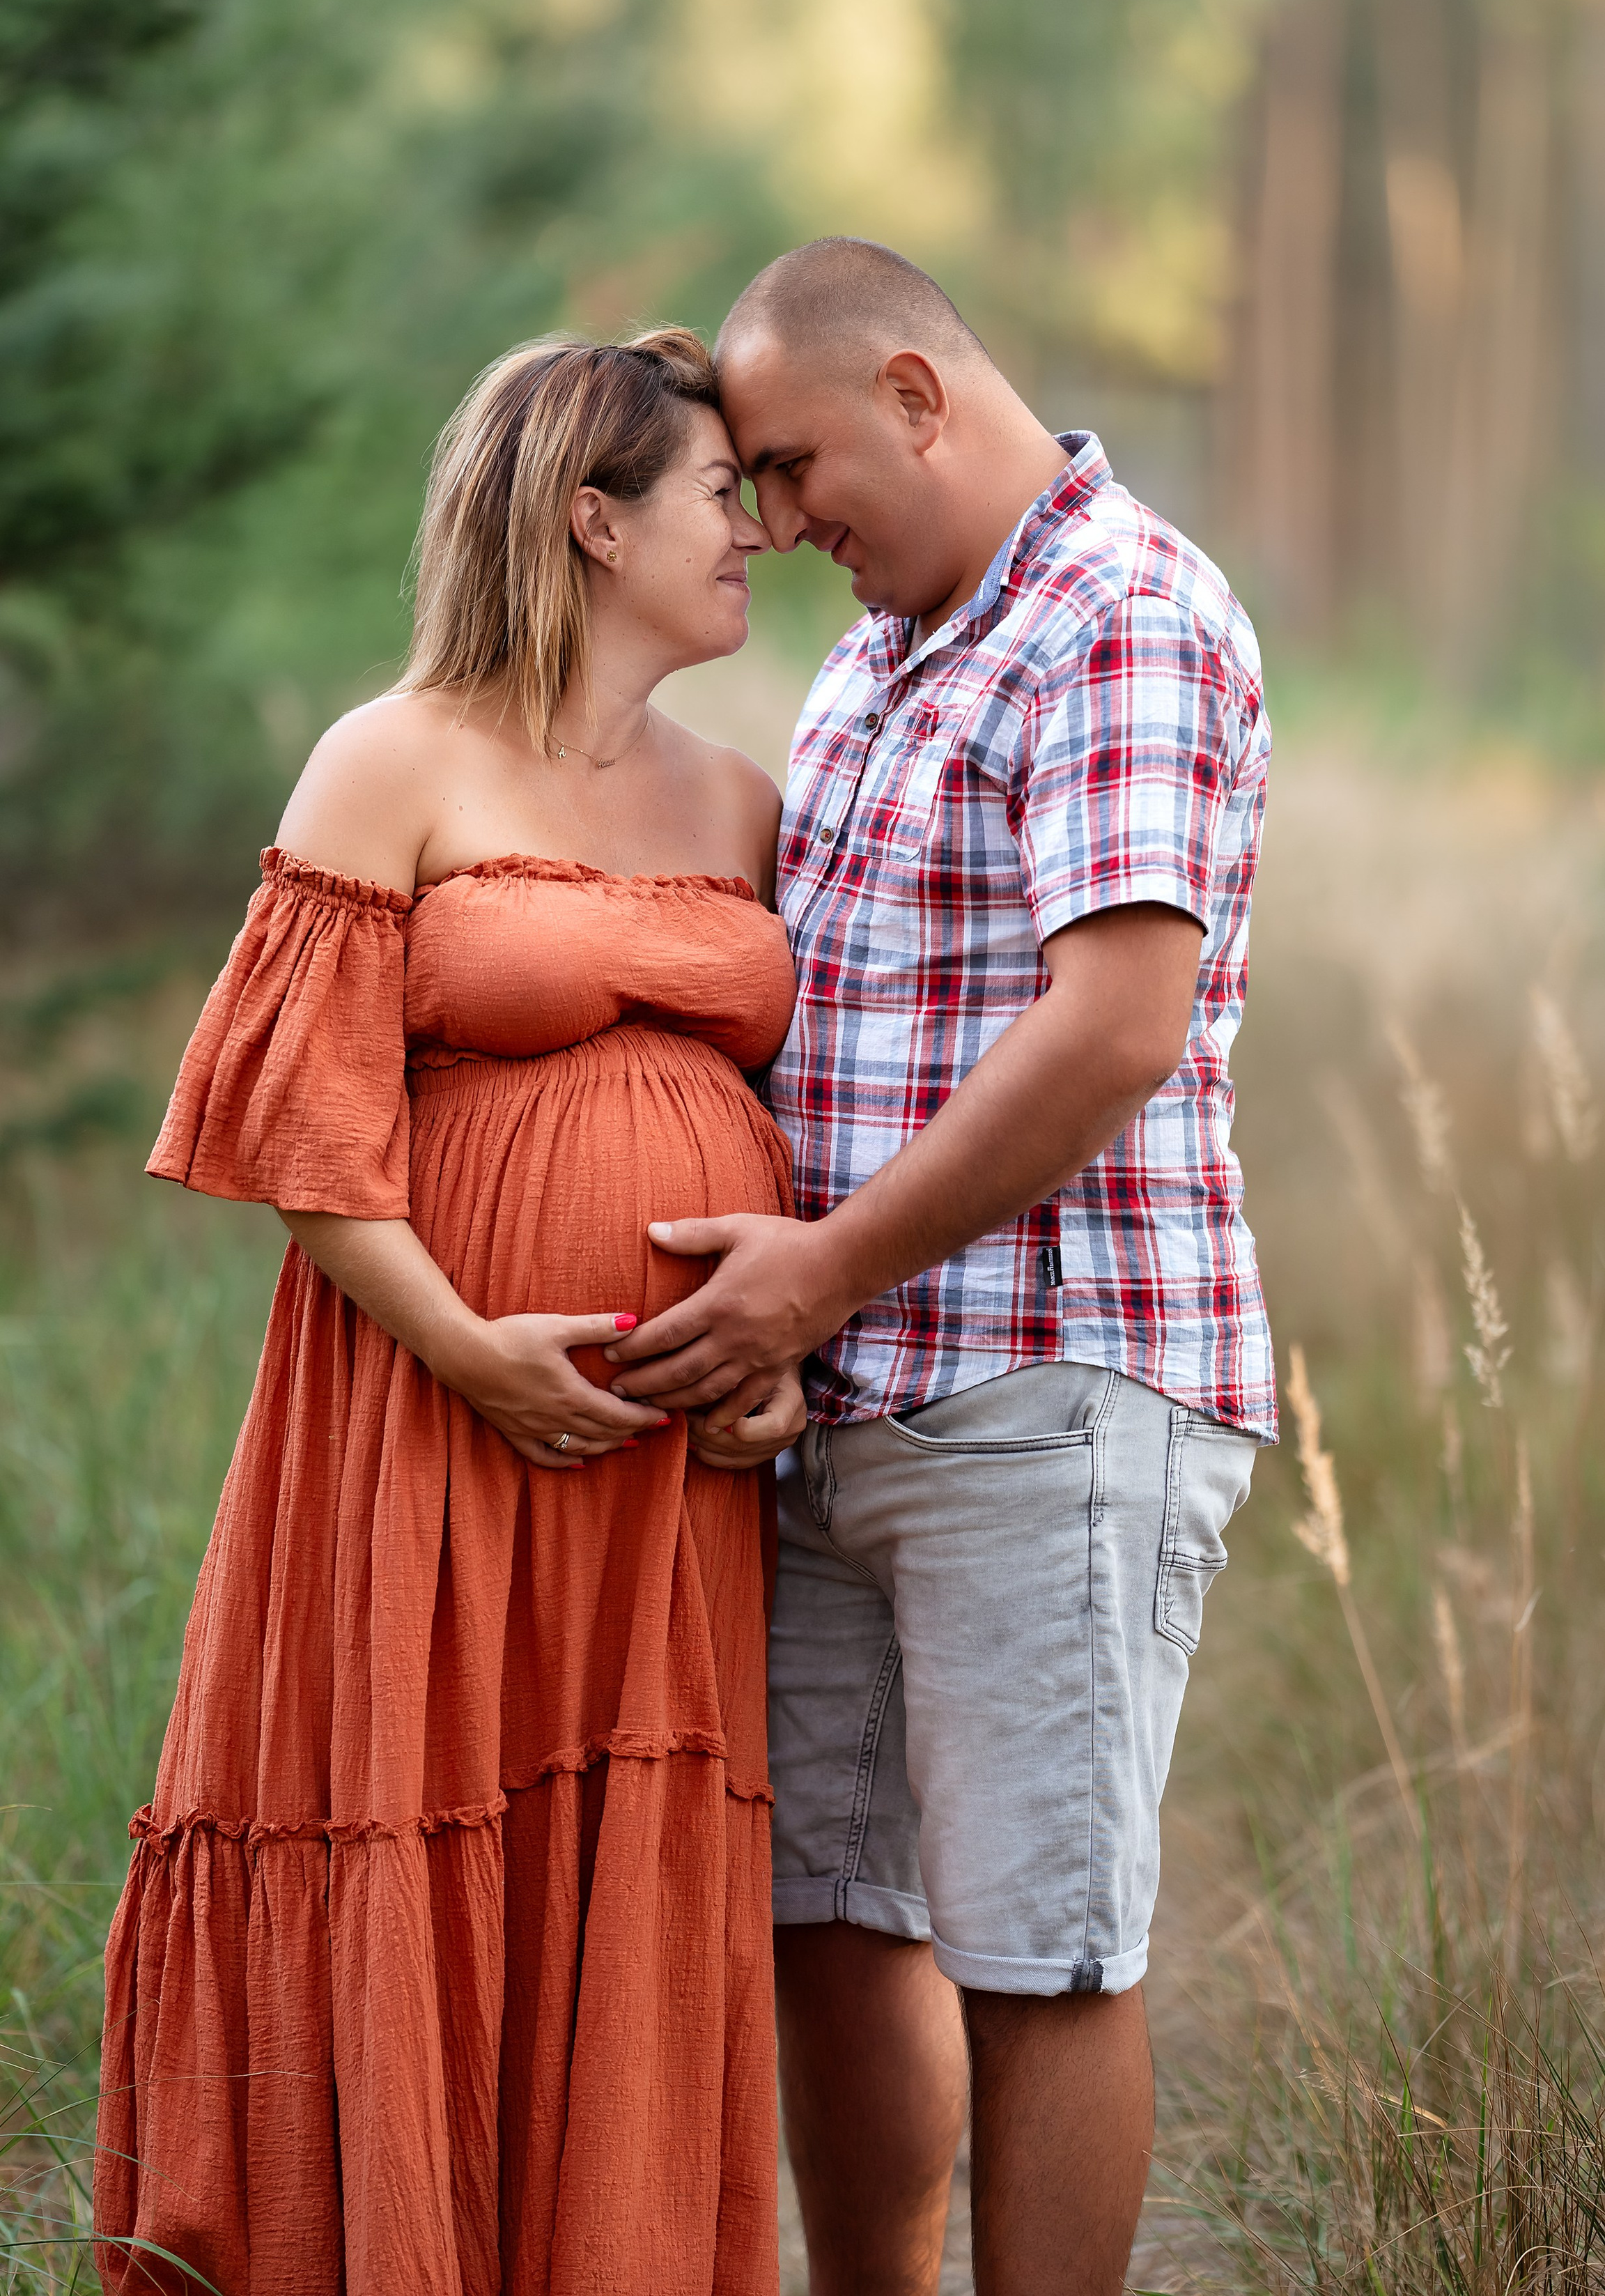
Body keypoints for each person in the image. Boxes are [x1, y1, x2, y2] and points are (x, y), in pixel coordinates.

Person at [93, 327, 805, 2296]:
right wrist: (473, 1348)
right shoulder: (393, 757)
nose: (755, 534)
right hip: (431, 1413)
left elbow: (794, 1147)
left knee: (624, 1863)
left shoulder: (749, 795)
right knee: (417, 1818)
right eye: (715, 496)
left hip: (667, 1477)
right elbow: (301, 1131)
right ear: (595, 517)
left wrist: (780, 1368)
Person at [605, 240, 1276, 2296]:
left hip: (1052, 1390)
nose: (783, 522)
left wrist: (807, 1274)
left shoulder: (1122, 613)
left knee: (1040, 1945)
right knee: (833, 1913)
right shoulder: (888, 646)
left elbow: (1113, 1025)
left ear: (917, 391)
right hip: (846, 1402)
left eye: (798, 465)